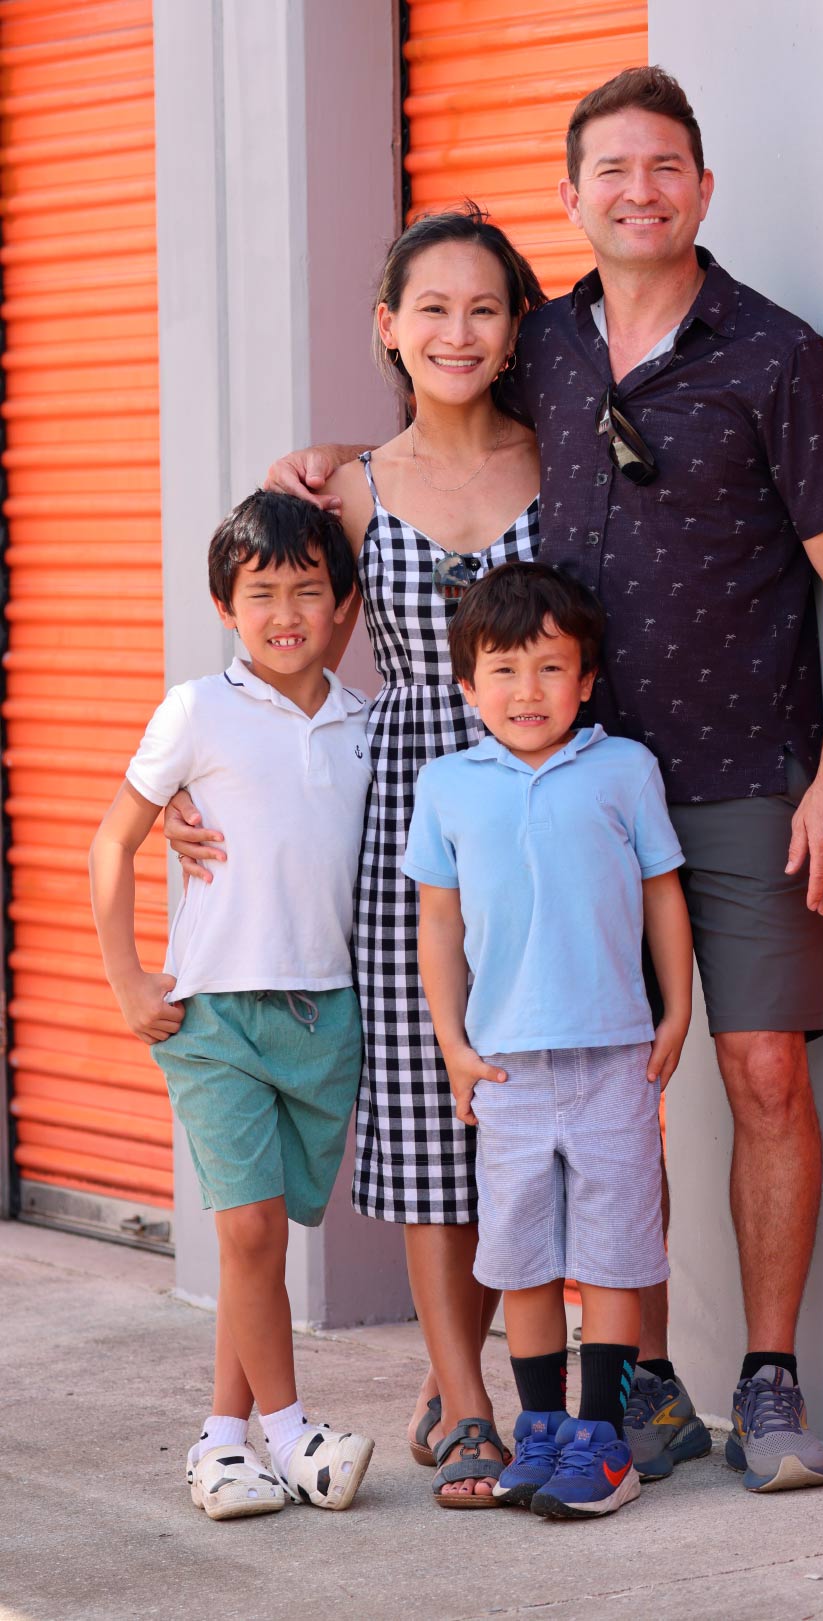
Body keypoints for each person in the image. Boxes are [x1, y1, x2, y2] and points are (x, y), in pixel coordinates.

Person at [263, 65, 823, 1494]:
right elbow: (426, 431)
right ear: (572, 198)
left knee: (757, 1068)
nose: (638, 190)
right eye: (609, 169)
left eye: (664, 166)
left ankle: (771, 1379)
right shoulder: (542, 344)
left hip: (732, 771)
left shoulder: (778, 357)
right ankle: (625, 1386)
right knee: (584, 1089)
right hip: (534, 788)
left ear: (703, 189)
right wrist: (327, 467)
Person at [166, 208, 550, 1503]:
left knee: (537, 1100)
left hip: (544, 836)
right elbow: (278, 680)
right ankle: (471, 1394)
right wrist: (184, 794)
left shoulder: (566, 467)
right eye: (430, 308)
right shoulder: (351, 489)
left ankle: (454, 1384)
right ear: (387, 326)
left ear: (516, 330)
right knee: (440, 1132)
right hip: (409, 841)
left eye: (484, 308)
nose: (457, 331)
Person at [89, 491, 375, 1519]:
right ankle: (294, 1433)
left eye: (309, 589)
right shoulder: (196, 709)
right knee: (250, 1231)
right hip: (212, 1014)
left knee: (262, 1240)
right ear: (225, 605)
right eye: (262, 594)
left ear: (345, 605)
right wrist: (127, 978)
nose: (287, 612)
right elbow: (108, 842)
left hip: (326, 1015)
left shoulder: (366, 727)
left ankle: (221, 1442)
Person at [405, 562, 693, 1518]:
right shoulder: (447, 784)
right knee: (521, 1255)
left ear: (587, 678)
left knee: (612, 1252)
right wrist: (452, 1043)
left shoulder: (624, 769)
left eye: (548, 668)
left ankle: (601, 1440)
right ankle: (539, 1431)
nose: (527, 692)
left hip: (613, 1054)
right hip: (506, 1067)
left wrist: (678, 1008)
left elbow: (662, 892)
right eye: (502, 670)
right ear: (465, 685)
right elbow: (438, 926)